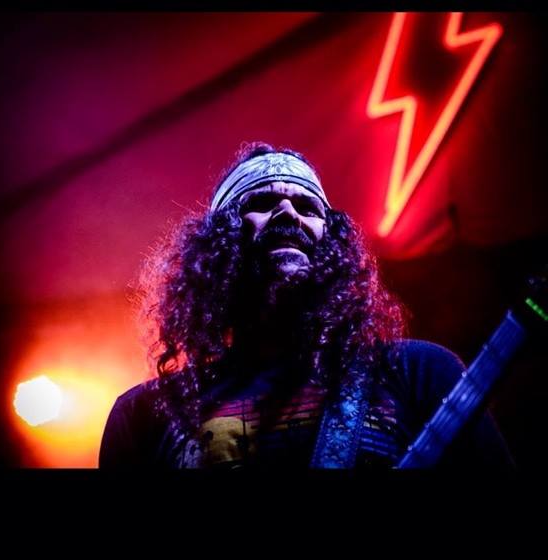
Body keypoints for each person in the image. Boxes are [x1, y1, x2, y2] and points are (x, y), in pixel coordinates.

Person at [99, 142, 514, 469]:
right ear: (215, 245)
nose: (288, 214)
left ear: (333, 244)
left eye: (308, 207)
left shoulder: (418, 374)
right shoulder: (144, 415)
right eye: (261, 203)